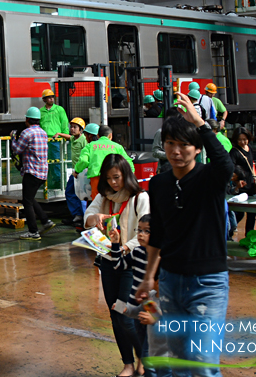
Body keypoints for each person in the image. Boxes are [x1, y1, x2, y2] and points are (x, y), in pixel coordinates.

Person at [136, 93, 234, 376]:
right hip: (170, 282)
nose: (176, 151)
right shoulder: (159, 184)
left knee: (201, 362)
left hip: (208, 283)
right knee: (178, 360)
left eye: (184, 145)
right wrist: (147, 278)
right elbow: (159, 235)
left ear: (197, 148)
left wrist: (200, 122)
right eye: (170, 144)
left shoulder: (210, 179)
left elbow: (225, 165)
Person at [85, 154, 150, 377]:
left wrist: (122, 247)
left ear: (126, 175)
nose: (113, 183)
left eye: (117, 177)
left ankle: (143, 358)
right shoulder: (103, 198)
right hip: (108, 264)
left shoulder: (139, 198)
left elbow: (146, 232)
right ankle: (128, 364)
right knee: (115, 314)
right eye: (109, 178)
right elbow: (87, 218)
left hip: (130, 264)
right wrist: (97, 218)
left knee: (125, 314)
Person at [108, 214, 154, 377]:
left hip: (151, 307)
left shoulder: (160, 258)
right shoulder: (138, 252)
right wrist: (115, 244)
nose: (141, 234)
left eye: (147, 231)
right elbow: (119, 266)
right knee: (128, 322)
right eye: (139, 230)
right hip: (137, 303)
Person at [12, 107, 55, 240]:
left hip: (32, 172)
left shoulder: (27, 133)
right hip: (42, 172)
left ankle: (33, 231)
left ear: (27, 120)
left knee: (27, 202)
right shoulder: (43, 132)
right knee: (29, 198)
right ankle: (45, 221)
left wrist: (12, 138)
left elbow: (17, 150)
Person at [76, 124, 133, 199]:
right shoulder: (117, 147)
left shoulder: (90, 146)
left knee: (98, 203)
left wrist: (77, 171)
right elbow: (127, 161)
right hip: (114, 178)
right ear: (110, 135)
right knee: (114, 200)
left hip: (96, 178)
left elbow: (83, 161)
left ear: (98, 135)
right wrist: (131, 173)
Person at [229, 127, 256, 237]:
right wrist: (237, 181)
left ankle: (249, 235)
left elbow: (251, 164)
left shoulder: (249, 148)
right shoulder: (234, 152)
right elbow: (231, 168)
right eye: (240, 139)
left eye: (245, 139)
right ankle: (229, 230)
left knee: (252, 213)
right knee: (240, 212)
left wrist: (255, 176)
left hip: (251, 184)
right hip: (240, 185)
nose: (243, 142)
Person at [62, 117, 88, 226]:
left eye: (75, 127)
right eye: (71, 127)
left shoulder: (84, 140)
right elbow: (69, 137)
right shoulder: (73, 139)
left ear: (81, 129)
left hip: (82, 172)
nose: (72, 129)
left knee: (82, 195)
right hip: (75, 172)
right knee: (70, 192)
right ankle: (78, 215)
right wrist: (60, 133)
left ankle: (84, 218)